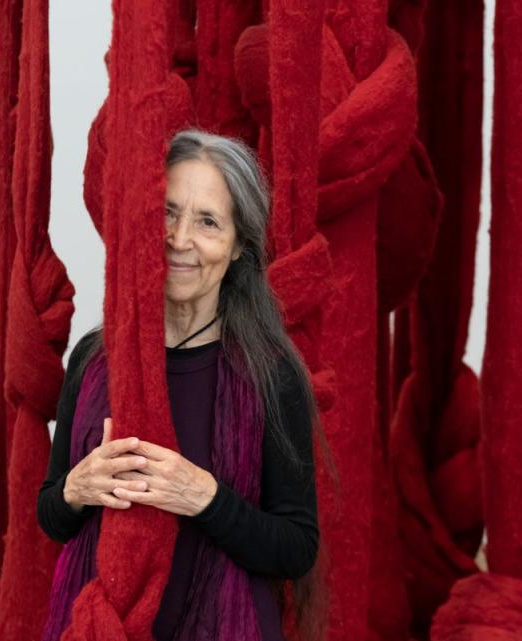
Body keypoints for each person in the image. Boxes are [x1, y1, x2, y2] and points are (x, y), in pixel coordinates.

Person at [37, 129, 323, 641]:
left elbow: (296, 548)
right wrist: (76, 490)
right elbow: (52, 516)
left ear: (239, 247)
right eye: (168, 212)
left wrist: (206, 498)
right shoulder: (94, 358)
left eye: (208, 222)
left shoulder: (271, 375)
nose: (180, 238)